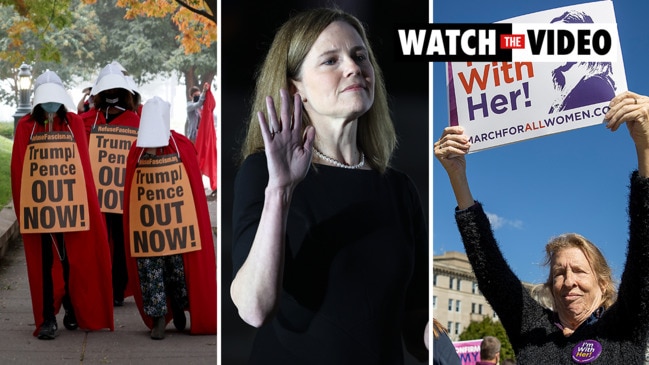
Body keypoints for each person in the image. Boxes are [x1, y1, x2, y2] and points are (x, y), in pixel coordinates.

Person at [230, 7, 429, 364]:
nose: (353, 68)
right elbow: (254, 309)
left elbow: (415, 325)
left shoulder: (399, 189)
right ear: (296, 88)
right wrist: (281, 192)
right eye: (330, 61)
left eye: (359, 56)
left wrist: (444, 334)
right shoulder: (263, 173)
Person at [434, 90, 649, 364]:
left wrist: (646, 147)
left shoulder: (623, 328)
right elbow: (491, 270)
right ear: (550, 285)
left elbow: (644, 250)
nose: (569, 281)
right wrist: (456, 174)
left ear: (604, 283)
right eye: (559, 273)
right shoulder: (533, 330)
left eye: (580, 271)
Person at [10, 70, 114, 339]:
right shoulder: (25, 127)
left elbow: (83, 169)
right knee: (45, 262)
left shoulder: (74, 124)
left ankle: (70, 307)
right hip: (41, 208)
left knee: (71, 260)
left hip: (70, 207)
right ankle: (47, 318)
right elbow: (19, 170)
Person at [122, 96, 217, 339]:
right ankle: (158, 319)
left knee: (177, 269)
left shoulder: (181, 145)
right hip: (147, 225)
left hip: (176, 224)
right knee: (149, 268)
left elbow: (193, 187)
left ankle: (178, 305)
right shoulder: (137, 149)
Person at [80, 62, 140, 306]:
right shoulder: (87, 120)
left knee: (120, 240)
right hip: (93, 194)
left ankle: (116, 288)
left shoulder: (134, 121)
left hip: (122, 195)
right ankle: (99, 285)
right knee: (97, 240)